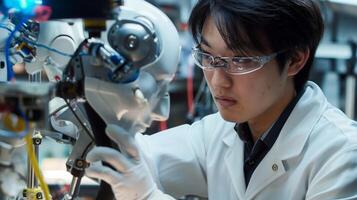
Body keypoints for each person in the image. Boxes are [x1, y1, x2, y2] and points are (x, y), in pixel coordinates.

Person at [85, 0, 357, 199]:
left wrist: (147, 197)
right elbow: (143, 158)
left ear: (295, 59)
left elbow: (141, 185)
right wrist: (88, 119)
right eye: (209, 57)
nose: (217, 80)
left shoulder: (342, 154)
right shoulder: (220, 133)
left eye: (240, 61)